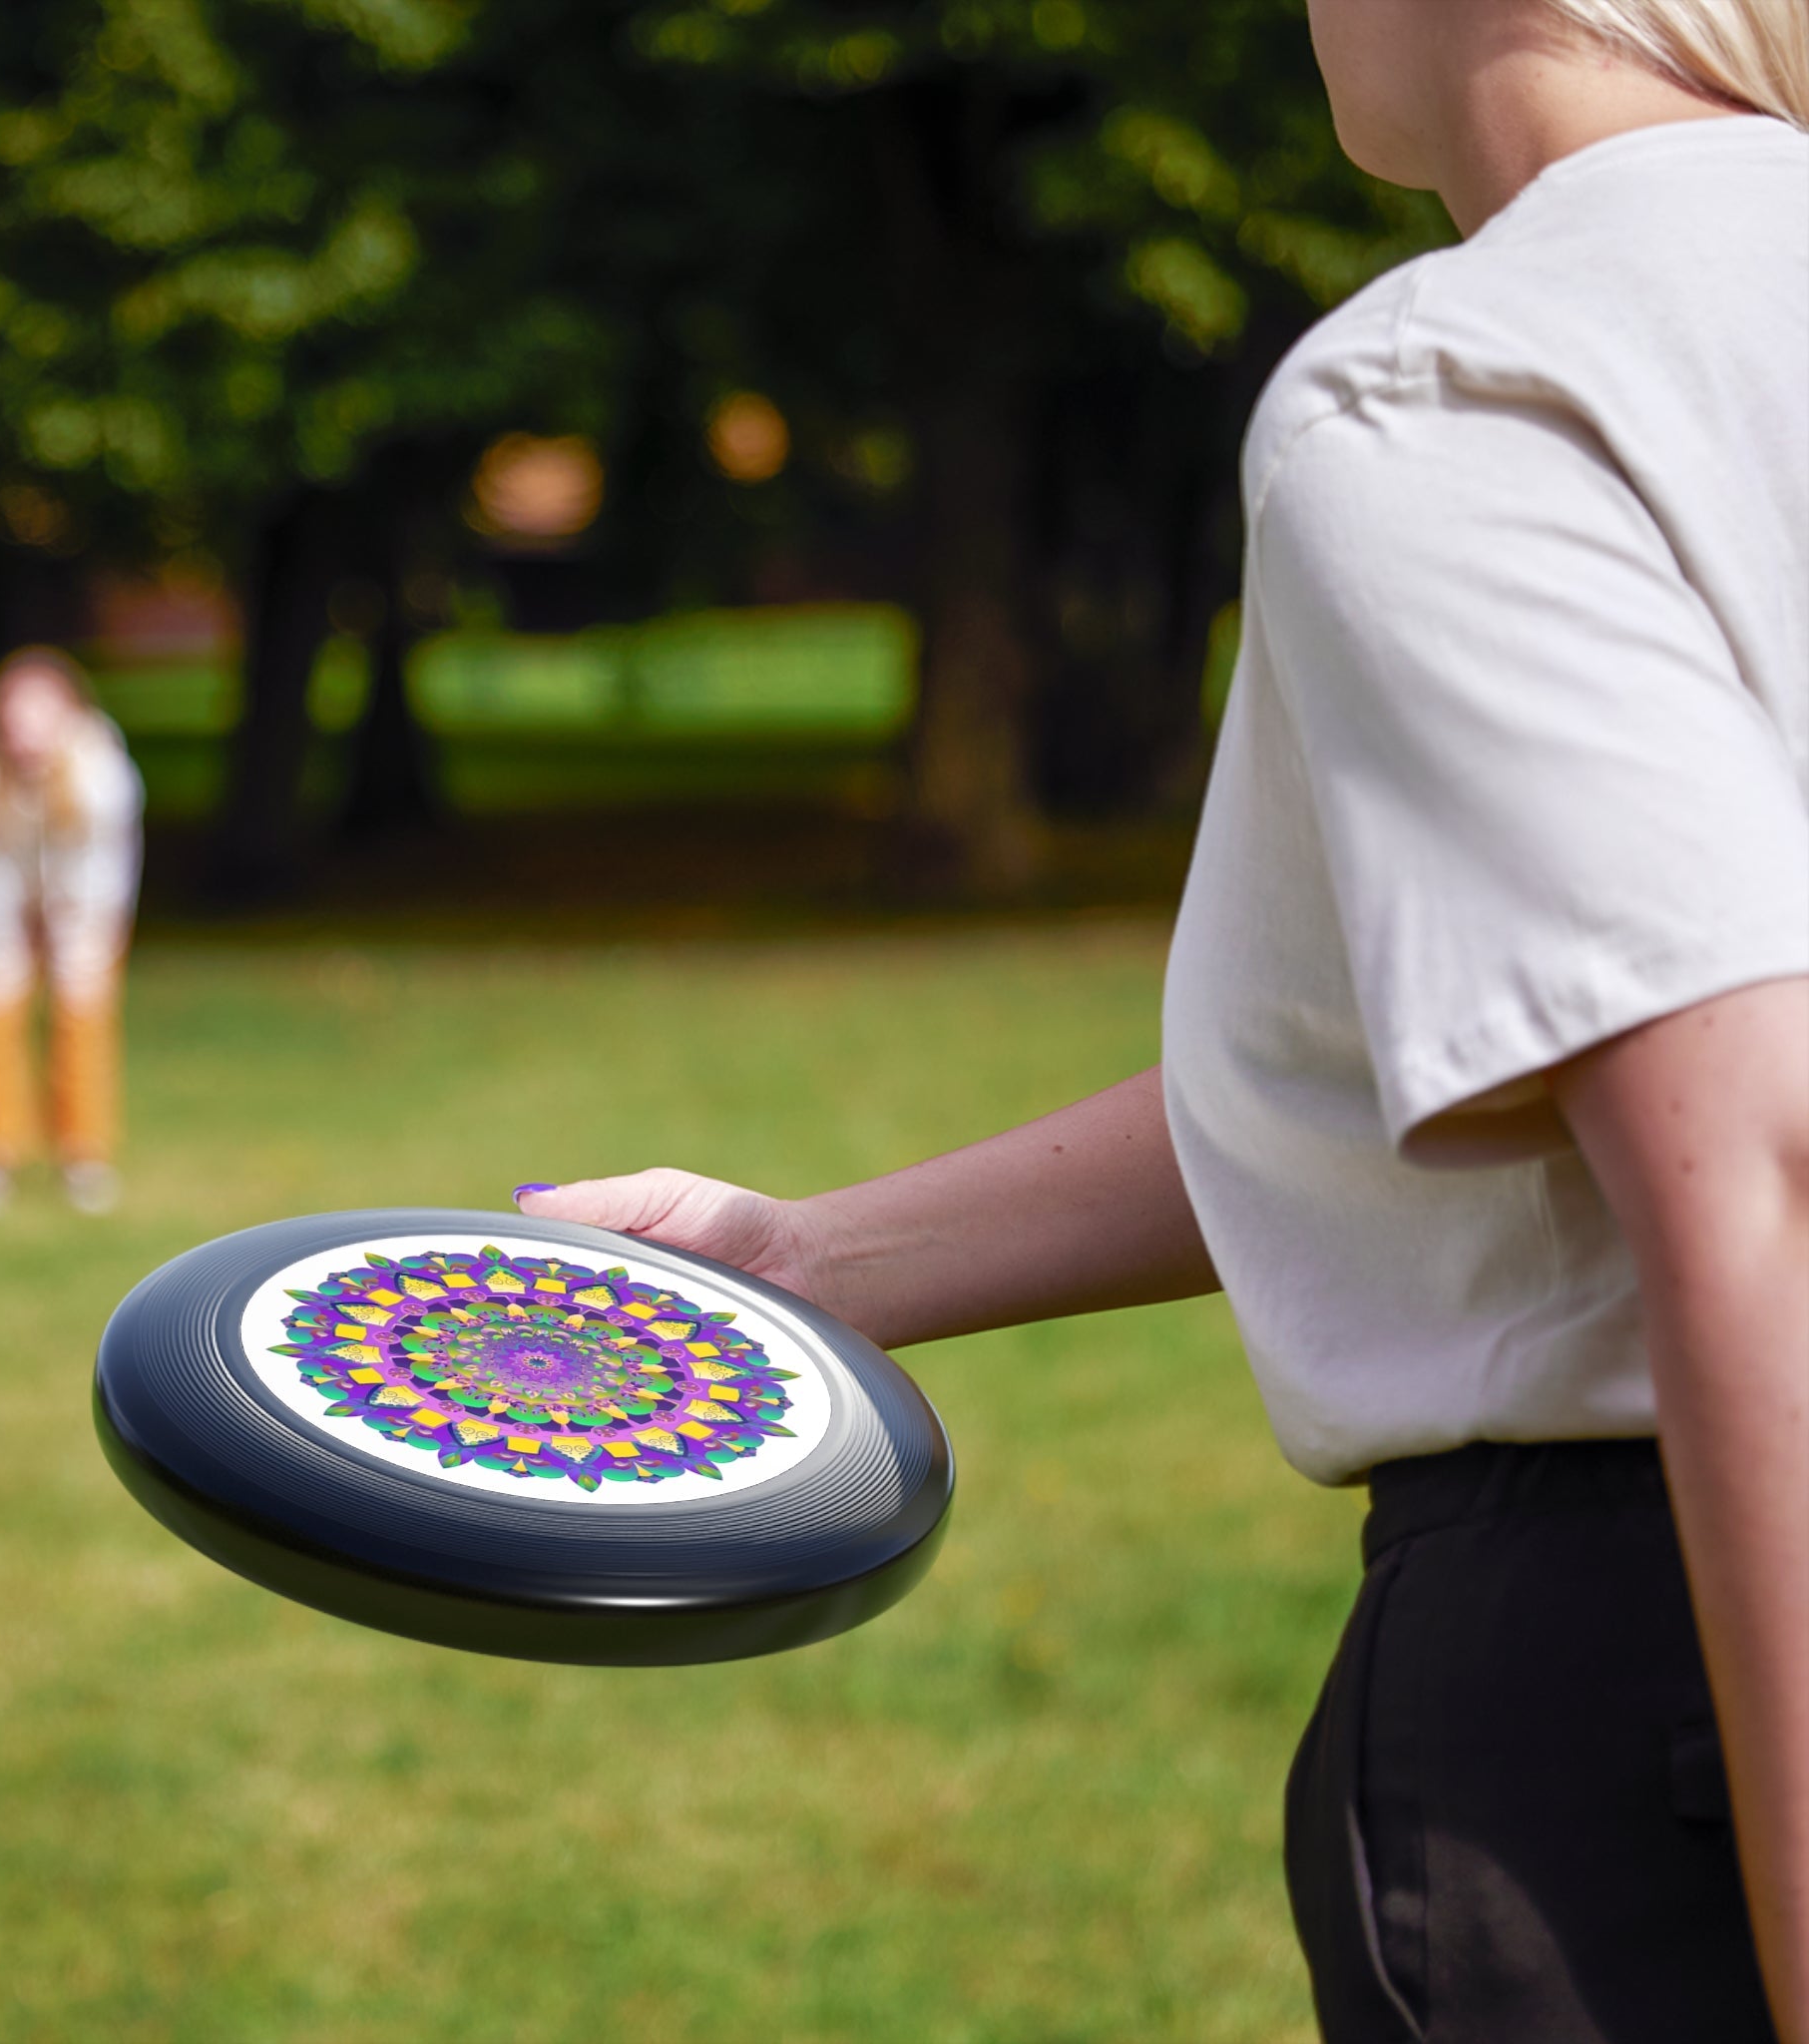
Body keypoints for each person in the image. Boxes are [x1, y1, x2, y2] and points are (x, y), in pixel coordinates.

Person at [514, 2, 1809, 2037]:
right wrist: (812, 1260)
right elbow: (1511, 1042)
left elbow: (1757, 1161)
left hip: (1664, 1683)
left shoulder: (1467, 381)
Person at [0, 647, 144, 1217]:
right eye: (13, 714)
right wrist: (2, 939)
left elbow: (102, 872)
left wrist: (70, 932)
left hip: (85, 907)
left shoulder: (103, 776)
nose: (24, 730)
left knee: (82, 1014)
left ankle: (83, 1156)